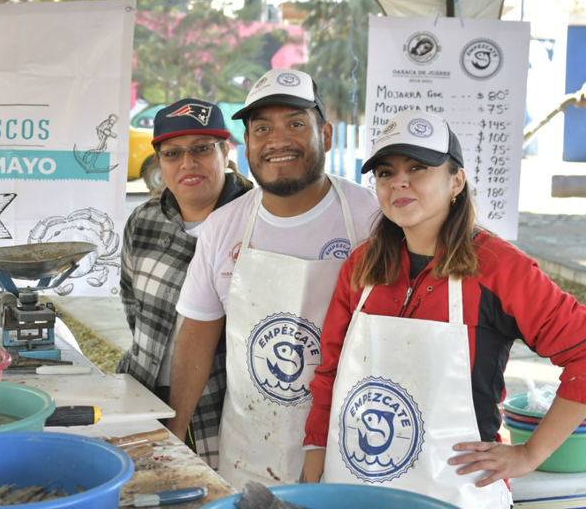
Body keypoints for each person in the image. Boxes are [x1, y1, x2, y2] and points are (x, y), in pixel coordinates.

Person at [302, 110, 586, 508]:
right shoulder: (363, 264)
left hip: (454, 488)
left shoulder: (499, 268)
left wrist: (530, 454)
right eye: (385, 172)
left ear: (456, 179)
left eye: (418, 167)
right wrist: (316, 450)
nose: (399, 181)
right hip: (356, 481)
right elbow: (329, 368)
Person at [167, 68, 380, 489]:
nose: (277, 141)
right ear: (247, 145)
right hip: (250, 451)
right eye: (262, 128)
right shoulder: (224, 226)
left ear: (328, 134)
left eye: (296, 124)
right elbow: (197, 335)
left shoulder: (373, 218)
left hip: (353, 446)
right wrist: (173, 437)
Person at [117, 98, 253, 468]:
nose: (187, 163)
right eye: (172, 153)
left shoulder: (258, 220)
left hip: (224, 407)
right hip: (142, 390)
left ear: (225, 152)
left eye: (201, 149)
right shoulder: (144, 220)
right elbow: (133, 305)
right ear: (159, 162)